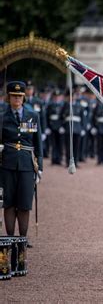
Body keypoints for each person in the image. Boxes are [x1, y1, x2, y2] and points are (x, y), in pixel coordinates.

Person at [0, 81, 43, 243]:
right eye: (13, 96)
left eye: (19, 96)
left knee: (24, 203)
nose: (17, 99)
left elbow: (38, 143)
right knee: (9, 202)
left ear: (24, 97)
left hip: (27, 164)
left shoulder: (33, 115)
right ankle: (11, 238)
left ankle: (23, 239)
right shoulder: (2, 117)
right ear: (8, 97)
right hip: (7, 164)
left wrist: (40, 168)